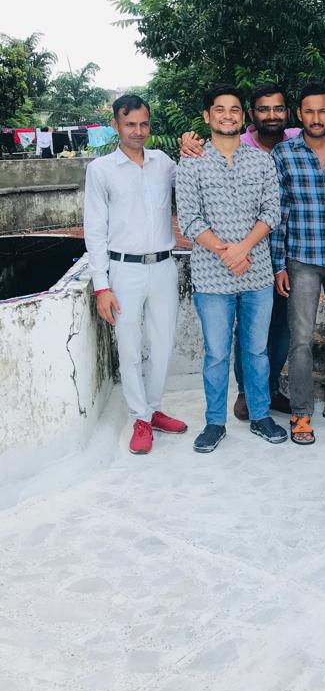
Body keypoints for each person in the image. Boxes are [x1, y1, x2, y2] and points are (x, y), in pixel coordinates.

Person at [176, 85, 283, 453]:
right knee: (217, 354)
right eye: (219, 109)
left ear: (244, 116)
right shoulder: (191, 161)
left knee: (257, 352)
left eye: (234, 109)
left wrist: (243, 248)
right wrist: (226, 253)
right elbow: (190, 219)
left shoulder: (262, 162)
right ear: (207, 116)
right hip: (211, 276)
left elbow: (271, 212)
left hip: (257, 273)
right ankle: (215, 422)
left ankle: (260, 416)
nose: (227, 115)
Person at [84, 94, 187, 455]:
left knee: (163, 343)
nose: (138, 131)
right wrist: (102, 287)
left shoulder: (163, 163)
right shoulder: (101, 170)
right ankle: (139, 418)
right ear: (116, 125)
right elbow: (94, 230)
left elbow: (192, 179)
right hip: (123, 269)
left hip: (163, 266)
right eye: (130, 124)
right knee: (128, 346)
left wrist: (192, 148)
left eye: (144, 124)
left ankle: (154, 409)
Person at [271, 82, 325, 445]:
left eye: (323, 111)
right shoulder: (283, 154)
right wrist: (279, 264)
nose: (316, 118)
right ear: (299, 115)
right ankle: (301, 411)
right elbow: (279, 212)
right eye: (309, 111)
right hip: (301, 257)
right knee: (301, 338)